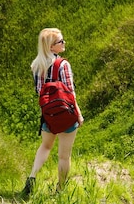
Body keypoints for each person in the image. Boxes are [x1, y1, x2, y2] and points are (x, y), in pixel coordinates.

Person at [21, 28, 84, 198]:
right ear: (51, 47)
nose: (64, 44)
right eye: (60, 42)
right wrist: (78, 114)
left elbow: (39, 92)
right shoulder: (63, 65)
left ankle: (32, 177)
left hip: (48, 116)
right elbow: (70, 93)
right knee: (64, 156)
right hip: (66, 116)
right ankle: (60, 190)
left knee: (45, 146)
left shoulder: (36, 66)